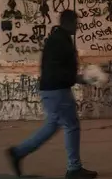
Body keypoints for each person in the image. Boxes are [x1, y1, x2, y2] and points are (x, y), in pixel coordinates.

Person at [6, 10, 97, 178]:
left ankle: (18, 153)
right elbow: (57, 71)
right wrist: (78, 78)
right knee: (71, 125)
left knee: (52, 126)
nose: (78, 26)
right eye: (76, 22)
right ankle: (74, 168)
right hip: (57, 91)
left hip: (52, 89)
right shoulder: (60, 41)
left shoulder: (59, 38)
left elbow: (57, 68)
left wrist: (76, 78)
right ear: (68, 22)